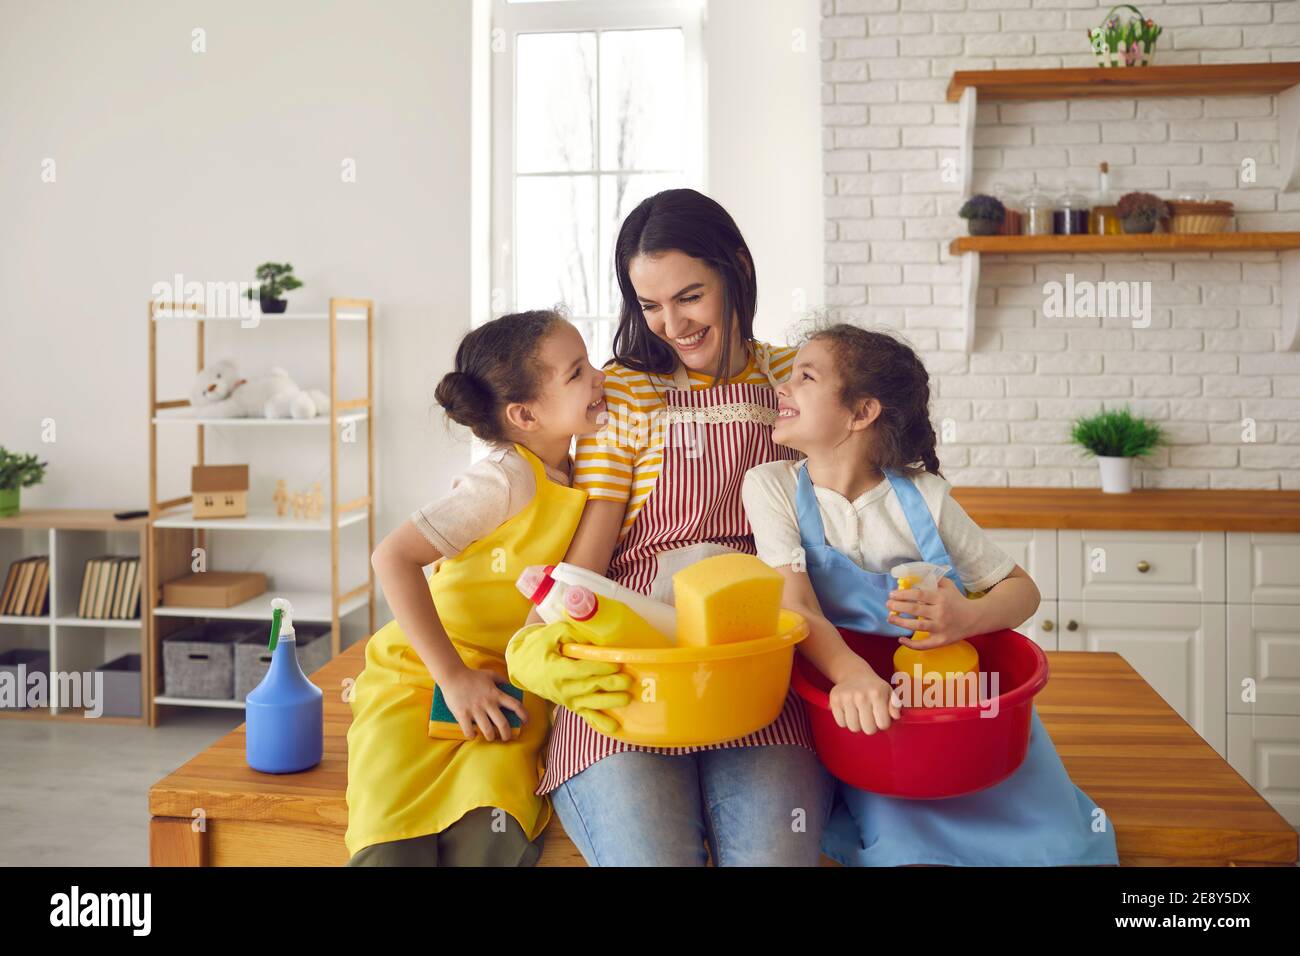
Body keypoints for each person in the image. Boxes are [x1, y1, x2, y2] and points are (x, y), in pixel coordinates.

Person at [507, 189, 834, 866]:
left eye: (689, 296)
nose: (671, 324)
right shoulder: (623, 390)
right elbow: (596, 537)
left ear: (737, 268)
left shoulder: (792, 378)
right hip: (634, 656)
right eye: (649, 305)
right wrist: (539, 637)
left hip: (756, 657)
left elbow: (840, 508)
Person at [741, 322, 1119, 867]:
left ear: (861, 412)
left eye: (805, 376)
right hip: (876, 723)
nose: (783, 387)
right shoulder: (771, 485)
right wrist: (851, 677)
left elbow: (1023, 592)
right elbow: (794, 605)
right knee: (906, 853)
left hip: (962, 720)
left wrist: (966, 617)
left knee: (1060, 849)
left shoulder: (925, 497)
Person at [345, 310, 616, 866]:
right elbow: (392, 556)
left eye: (589, 363)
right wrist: (453, 677)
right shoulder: (502, 479)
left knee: (493, 821)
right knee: (393, 836)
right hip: (424, 672)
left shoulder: (581, 465)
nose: (599, 377)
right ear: (524, 414)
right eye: (576, 373)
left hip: (507, 683)